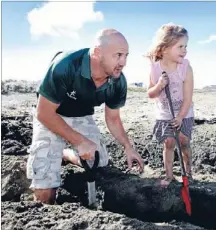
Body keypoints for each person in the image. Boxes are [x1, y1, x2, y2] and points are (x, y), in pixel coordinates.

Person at [26, 28, 144, 204]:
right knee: (45, 191)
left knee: (99, 160)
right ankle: (51, 157)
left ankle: (65, 154)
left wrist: (128, 147)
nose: (123, 62)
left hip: (81, 115)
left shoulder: (118, 81)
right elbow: (43, 113)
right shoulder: (65, 65)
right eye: (118, 55)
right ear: (97, 53)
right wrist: (80, 141)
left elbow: (112, 119)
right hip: (52, 115)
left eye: (126, 55)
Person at [146, 23, 194, 187]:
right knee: (169, 143)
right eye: (180, 46)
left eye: (186, 46)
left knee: (183, 141)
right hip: (164, 113)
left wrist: (180, 117)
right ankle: (169, 175)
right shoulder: (155, 68)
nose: (184, 50)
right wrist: (159, 85)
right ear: (164, 48)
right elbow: (150, 94)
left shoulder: (185, 68)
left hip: (184, 112)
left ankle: (188, 172)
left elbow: (188, 98)